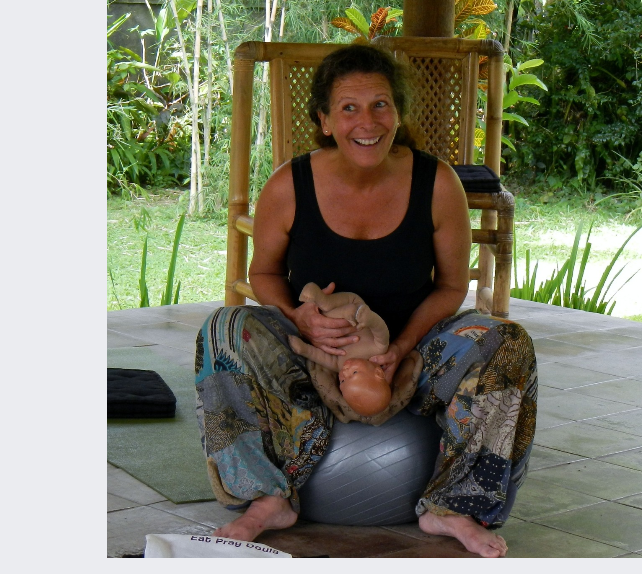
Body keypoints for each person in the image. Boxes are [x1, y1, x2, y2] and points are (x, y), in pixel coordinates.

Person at [193, 44, 537, 558]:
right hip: (307, 364)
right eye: (349, 108)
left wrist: (400, 345)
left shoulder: (437, 183)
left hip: (408, 360)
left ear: (398, 113)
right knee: (224, 330)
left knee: (506, 341)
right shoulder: (290, 184)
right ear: (325, 120)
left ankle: (455, 507)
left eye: (381, 105)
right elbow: (261, 272)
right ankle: (267, 497)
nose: (367, 122)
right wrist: (297, 318)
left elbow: (449, 286)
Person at [285, 282, 393, 417]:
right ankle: (325, 301)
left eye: (342, 381)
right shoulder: (378, 351)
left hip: (321, 320)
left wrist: (303, 349)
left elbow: (321, 357)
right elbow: (381, 330)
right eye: (354, 373)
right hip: (353, 308)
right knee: (354, 305)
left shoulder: (339, 365)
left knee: (330, 314)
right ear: (378, 372)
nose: (344, 372)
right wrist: (370, 319)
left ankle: (321, 301)